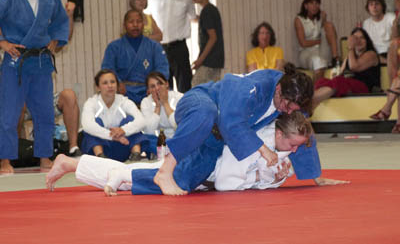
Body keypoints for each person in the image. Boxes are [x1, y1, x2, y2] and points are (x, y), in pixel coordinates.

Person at [46, 111, 349, 195]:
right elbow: (230, 184)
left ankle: (73, 163)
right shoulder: (254, 140)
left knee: (148, 171)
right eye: (292, 144)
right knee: (136, 175)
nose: (294, 151)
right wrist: (264, 176)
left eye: (297, 147)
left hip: (206, 175)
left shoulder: (281, 147)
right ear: (278, 134)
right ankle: (72, 163)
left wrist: (276, 177)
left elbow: (259, 180)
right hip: (203, 167)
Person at [153, 63, 315, 195]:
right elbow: (230, 121)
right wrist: (263, 149)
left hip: (214, 138)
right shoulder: (254, 87)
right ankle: (165, 170)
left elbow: (300, 128)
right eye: (287, 106)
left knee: (184, 180)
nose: (288, 112)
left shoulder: (287, 100)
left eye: (293, 109)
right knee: (206, 113)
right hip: (201, 101)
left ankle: (129, 177)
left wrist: (315, 175)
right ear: (279, 90)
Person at [0, 0, 69, 174]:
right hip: (16, 61)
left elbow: (61, 21)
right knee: (10, 114)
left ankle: (45, 157)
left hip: (40, 62)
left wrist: (55, 39)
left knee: (45, 113)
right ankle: (5, 161)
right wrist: (2, 42)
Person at [17, 1, 81, 157]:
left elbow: (63, 37)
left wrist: (69, 16)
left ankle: (73, 147)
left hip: (42, 99)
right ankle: (16, 150)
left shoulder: (42, 38)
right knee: (17, 102)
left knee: (69, 95)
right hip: (18, 100)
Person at [101, 9, 169, 105]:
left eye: (139, 21)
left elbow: (163, 68)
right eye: (131, 22)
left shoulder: (154, 46)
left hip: (149, 92)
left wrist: (154, 85)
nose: (135, 25)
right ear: (124, 25)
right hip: (123, 92)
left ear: (143, 24)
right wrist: (117, 83)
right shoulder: (114, 47)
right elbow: (107, 69)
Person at [80, 69, 148, 162]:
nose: (110, 86)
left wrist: (123, 130)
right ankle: (100, 156)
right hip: (101, 148)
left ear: (117, 84)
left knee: (129, 119)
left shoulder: (124, 101)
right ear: (98, 87)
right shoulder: (91, 103)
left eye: (113, 82)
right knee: (95, 123)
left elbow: (142, 121)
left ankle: (136, 155)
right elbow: (87, 125)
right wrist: (111, 136)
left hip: (122, 146)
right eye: (105, 83)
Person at [149, 0, 196, 93]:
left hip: (179, 46)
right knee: (163, 86)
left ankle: (185, 112)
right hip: (160, 48)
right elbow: (148, 18)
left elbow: (193, 17)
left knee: (184, 85)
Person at [312, 28, 380, 109]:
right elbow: (340, 73)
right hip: (346, 85)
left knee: (339, 81)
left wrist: (351, 48)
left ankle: (312, 102)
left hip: (363, 87)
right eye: (355, 38)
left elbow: (354, 67)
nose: (358, 41)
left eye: (362, 38)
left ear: (367, 41)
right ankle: (313, 102)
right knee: (322, 81)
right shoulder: (349, 57)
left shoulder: (371, 54)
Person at [294, 0, 339, 81]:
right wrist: (319, 41)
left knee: (329, 25)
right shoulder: (299, 19)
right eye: (312, 3)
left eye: (317, 4)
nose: (315, 6)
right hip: (307, 53)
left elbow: (332, 36)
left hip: (322, 51)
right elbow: (303, 43)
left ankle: (335, 59)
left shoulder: (320, 18)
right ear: (306, 6)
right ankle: (317, 89)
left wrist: (324, 20)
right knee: (317, 61)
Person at [190, 0, 224, 87]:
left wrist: (200, 60)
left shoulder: (207, 11)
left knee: (197, 86)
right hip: (215, 60)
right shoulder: (211, 9)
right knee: (212, 88)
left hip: (209, 61)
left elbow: (213, 37)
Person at [140, 71, 183, 139]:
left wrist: (165, 103)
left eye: (160, 84)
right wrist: (158, 106)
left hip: (178, 138)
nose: (157, 88)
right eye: (152, 86)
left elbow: (179, 126)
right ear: (148, 90)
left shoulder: (179, 97)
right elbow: (148, 131)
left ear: (167, 84)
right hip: (157, 140)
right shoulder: (145, 102)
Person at [362, 0, 396, 65]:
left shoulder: (390, 17)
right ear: (368, 8)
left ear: (382, 6)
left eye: (377, 4)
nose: (374, 7)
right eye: (371, 4)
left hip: (390, 51)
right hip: (374, 54)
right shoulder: (366, 23)